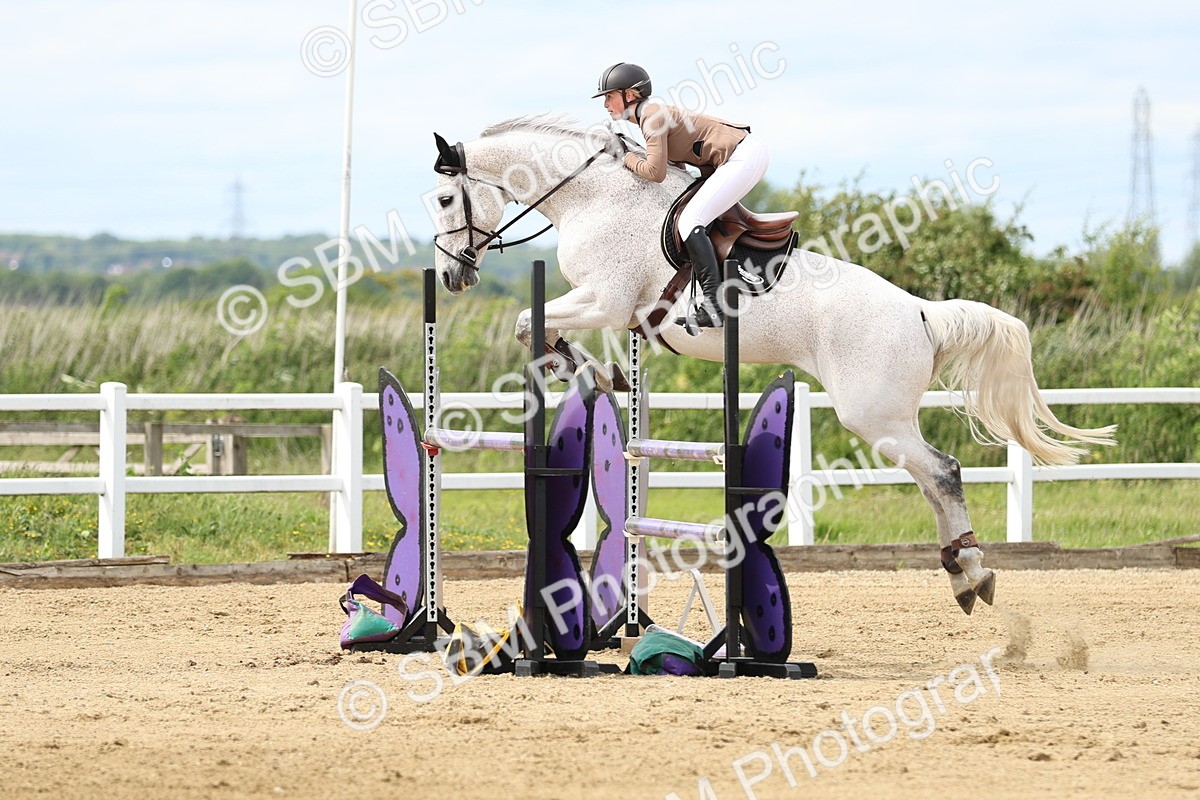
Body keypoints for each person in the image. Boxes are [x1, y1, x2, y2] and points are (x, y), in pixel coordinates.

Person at [594, 62, 769, 329]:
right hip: (738, 156)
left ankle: (713, 305)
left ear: (629, 95)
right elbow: (676, 166)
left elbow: (655, 172)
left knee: (690, 221)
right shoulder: (650, 116)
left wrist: (624, 156)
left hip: (742, 157)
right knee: (693, 215)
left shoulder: (651, 116)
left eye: (609, 96)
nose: (605, 104)